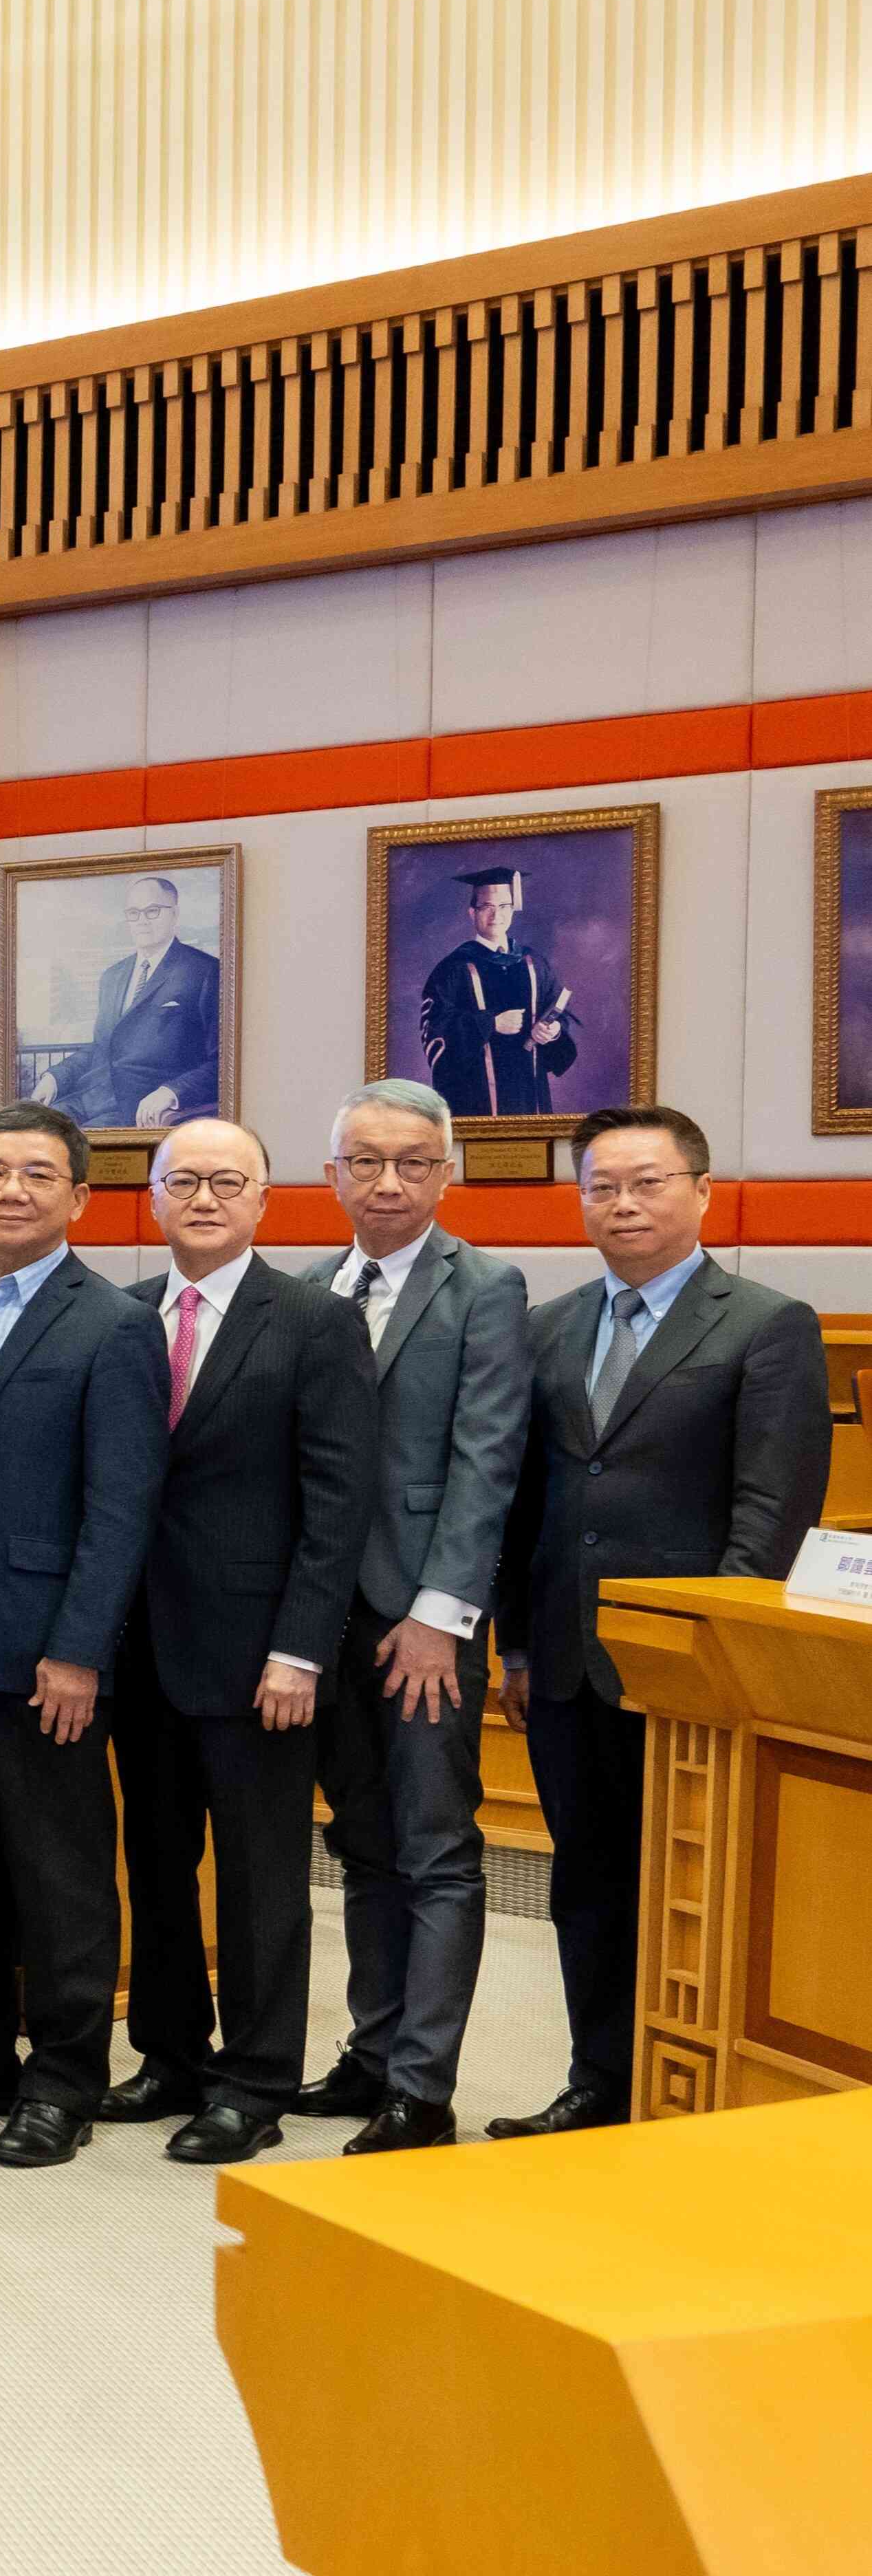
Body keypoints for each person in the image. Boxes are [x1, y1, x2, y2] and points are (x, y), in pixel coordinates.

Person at [492, 1104, 827, 2136]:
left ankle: (689, 2096)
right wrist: (510, 1638)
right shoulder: (546, 1327)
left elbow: (770, 1511)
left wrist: (715, 1649)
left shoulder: (764, 1322)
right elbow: (519, 1503)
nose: (622, 1203)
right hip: (557, 1659)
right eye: (601, 1186)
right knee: (584, 1886)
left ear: (698, 1190)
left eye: (645, 1182)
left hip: (684, 1665)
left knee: (691, 1886)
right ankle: (597, 2080)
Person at [0, 1104, 168, 2168]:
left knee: (59, 1876)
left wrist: (80, 1650)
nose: (10, 1189)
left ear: (77, 1199)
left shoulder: (110, 1324)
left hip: (45, 1651)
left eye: (35, 1175)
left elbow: (120, 1507)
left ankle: (62, 2079)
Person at [102, 1117, 378, 2165]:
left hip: (261, 1653)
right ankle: (169, 2052)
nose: (205, 1198)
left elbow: (337, 1501)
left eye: (229, 1182)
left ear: (266, 1201)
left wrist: (301, 1649)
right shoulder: (124, 1316)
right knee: (157, 1861)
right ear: (155, 1196)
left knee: (262, 1877)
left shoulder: (312, 1322)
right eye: (185, 1181)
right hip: (137, 1646)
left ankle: (255, 2080)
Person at [290, 1080, 530, 2154]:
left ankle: (421, 2090)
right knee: (361, 1840)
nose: (387, 1182)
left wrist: (441, 1615)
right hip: (323, 1621)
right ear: (331, 1173)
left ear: (447, 1173)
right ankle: (371, 2050)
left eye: (411, 1163)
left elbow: (486, 1459)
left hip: (421, 1623)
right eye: (365, 1162)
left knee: (434, 1848)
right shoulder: (305, 1289)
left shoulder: (485, 1286)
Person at [32, 873, 221, 1129]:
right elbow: (101, 1047)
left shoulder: (205, 971)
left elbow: (220, 1062)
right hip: (90, 1097)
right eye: (134, 913)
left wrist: (171, 1092)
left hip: (140, 1107)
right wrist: (54, 1077)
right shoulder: (113, 976)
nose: (141, 921)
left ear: (174, 914)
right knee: (29, 1130)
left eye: (152, 911)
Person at [417, 864, 576, 1120]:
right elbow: (434, 1031)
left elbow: (559, 1016)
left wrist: (552, 1031)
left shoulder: (533, 964)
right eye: (486, 907)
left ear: (513, 910)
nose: (496, 915)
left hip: (530, 1099)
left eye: (504, 907)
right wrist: (490, 1024)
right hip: (474, 1100)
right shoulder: (453, 968)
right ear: (472, 913)